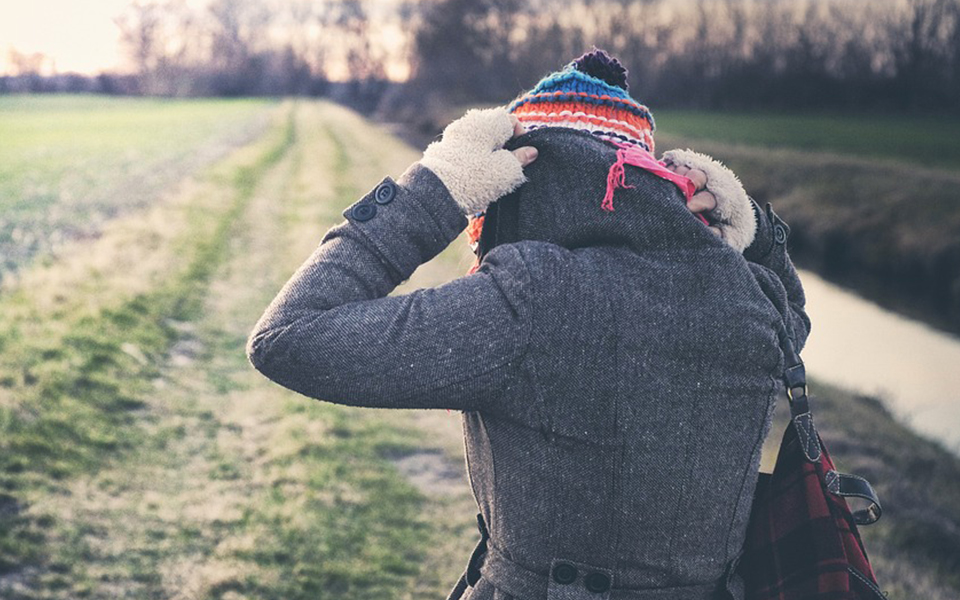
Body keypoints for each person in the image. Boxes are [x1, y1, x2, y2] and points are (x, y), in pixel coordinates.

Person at [246, 50, 809, 600]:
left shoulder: (530, 299)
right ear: (652, 181)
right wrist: (754, 227)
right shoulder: (749, 298)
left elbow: (288, 338)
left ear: (520, 180)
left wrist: (433, 193)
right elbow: (793, 317)